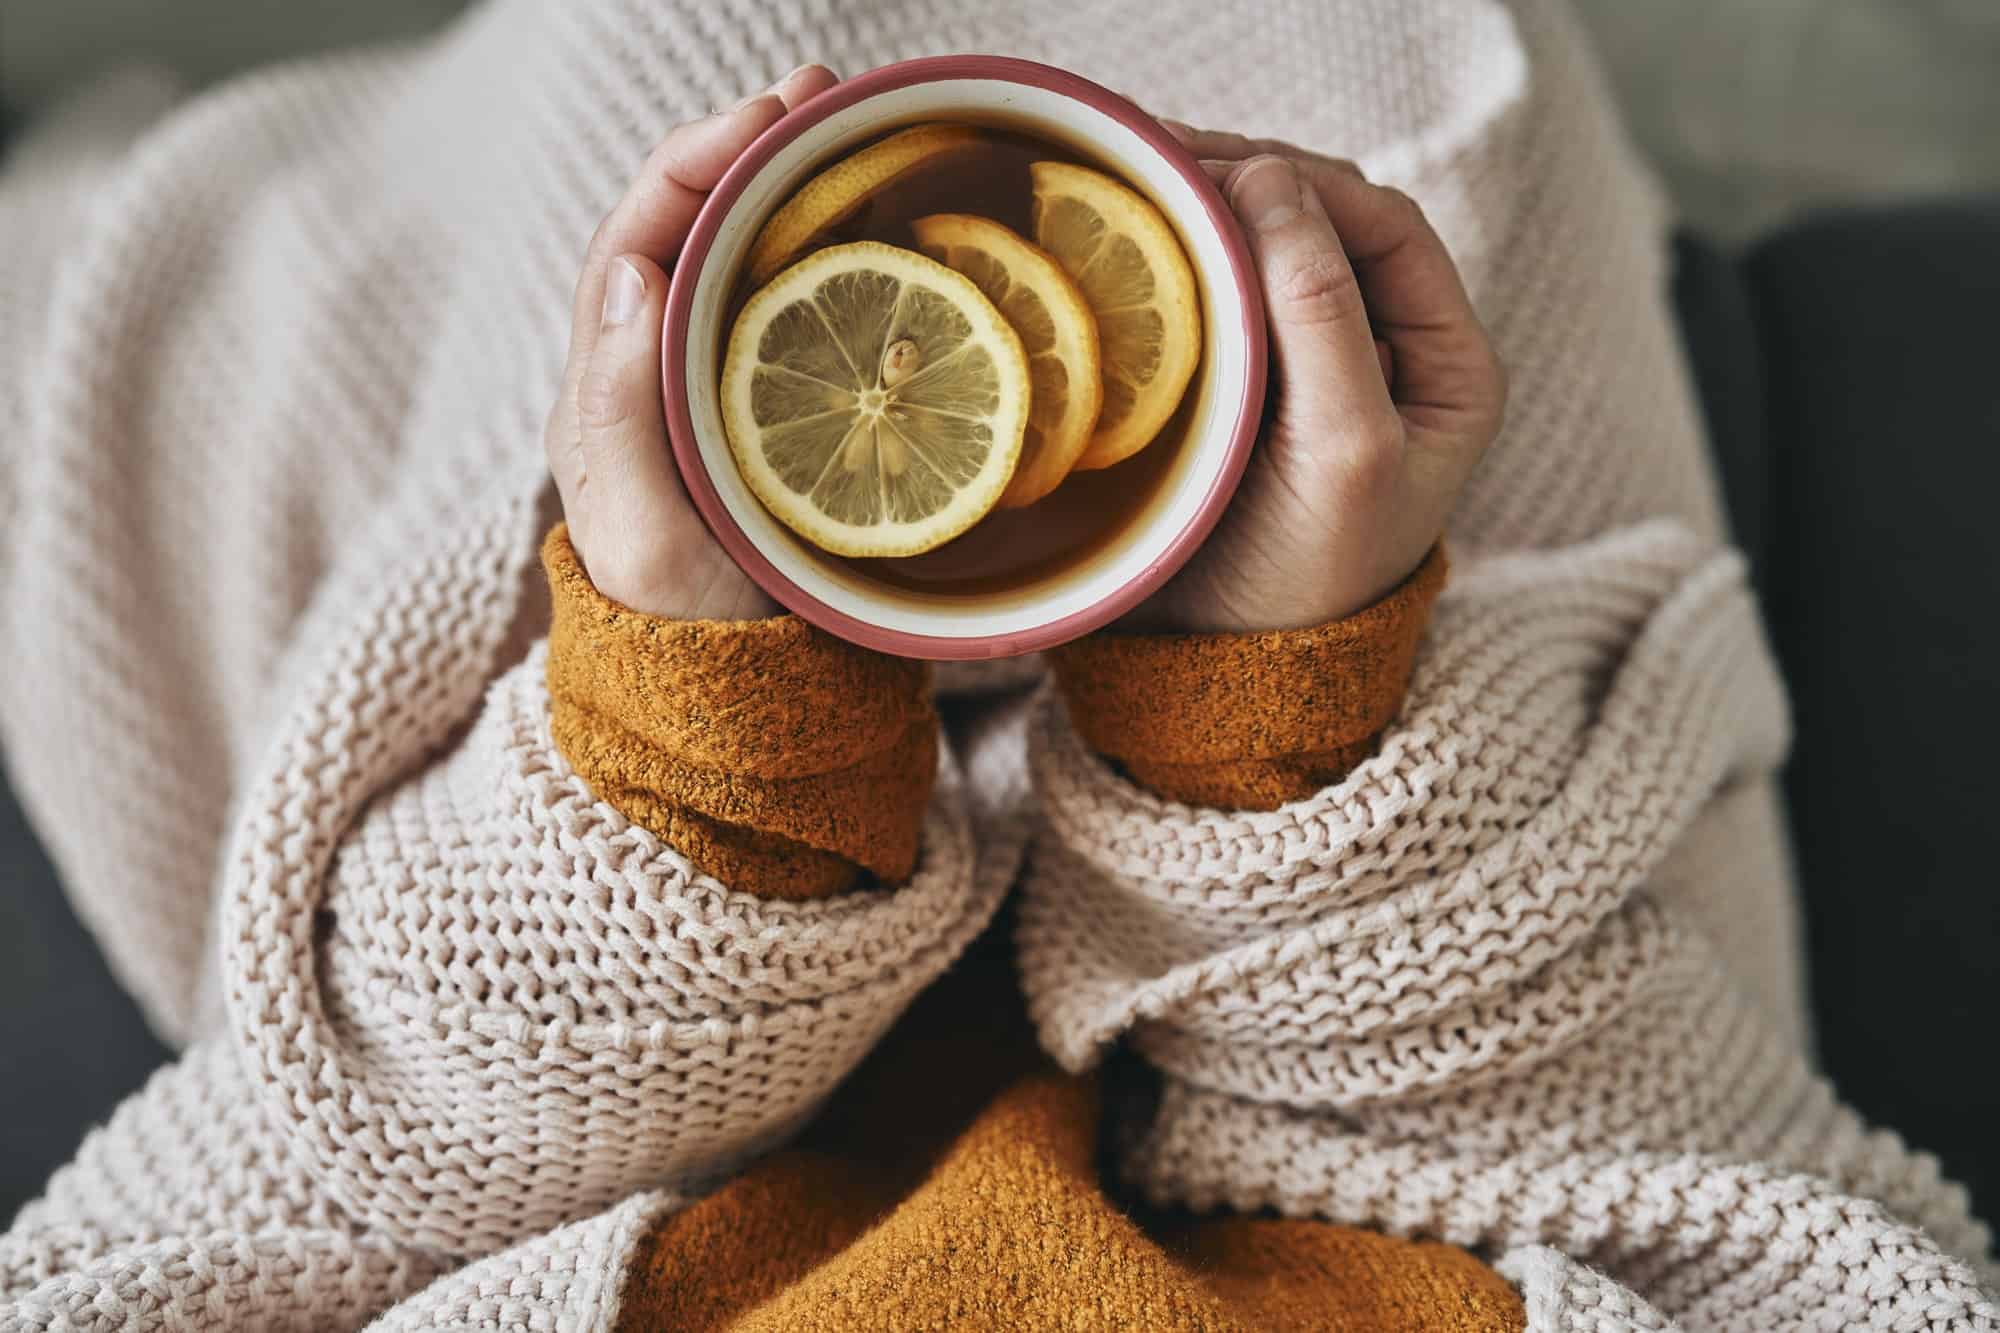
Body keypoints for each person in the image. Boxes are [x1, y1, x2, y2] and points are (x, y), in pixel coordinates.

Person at [0, 2, 1990, 1329]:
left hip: (579, 991)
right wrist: (1274, 710)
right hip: (1399, 931)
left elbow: (210, 1217)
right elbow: (1781, 1239)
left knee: (664, 130)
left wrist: (708, 747)